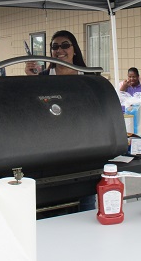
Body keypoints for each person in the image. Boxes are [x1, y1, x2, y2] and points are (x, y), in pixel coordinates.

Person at [24, 30, 95, 213]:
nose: (60, 50)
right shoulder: (43, 78)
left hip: (84, 149)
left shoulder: (89, 76)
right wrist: (30, 82)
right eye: (55, 46)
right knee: (53, 204)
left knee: (86, 201)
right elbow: (32, 112)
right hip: (52, 151)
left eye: (65, 45)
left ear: (74, 49)